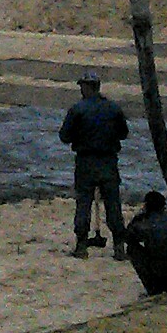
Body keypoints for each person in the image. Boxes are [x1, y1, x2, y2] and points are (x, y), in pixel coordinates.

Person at [59, 69, 131, 258]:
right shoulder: (113, 108)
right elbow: (124, 133)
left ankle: (81, 246)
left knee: (83, 203)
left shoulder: (77, 109)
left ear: (85, 87)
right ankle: (119, 247)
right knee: (113, 205)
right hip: (108, 162)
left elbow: (64, 136)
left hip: (86, 162)